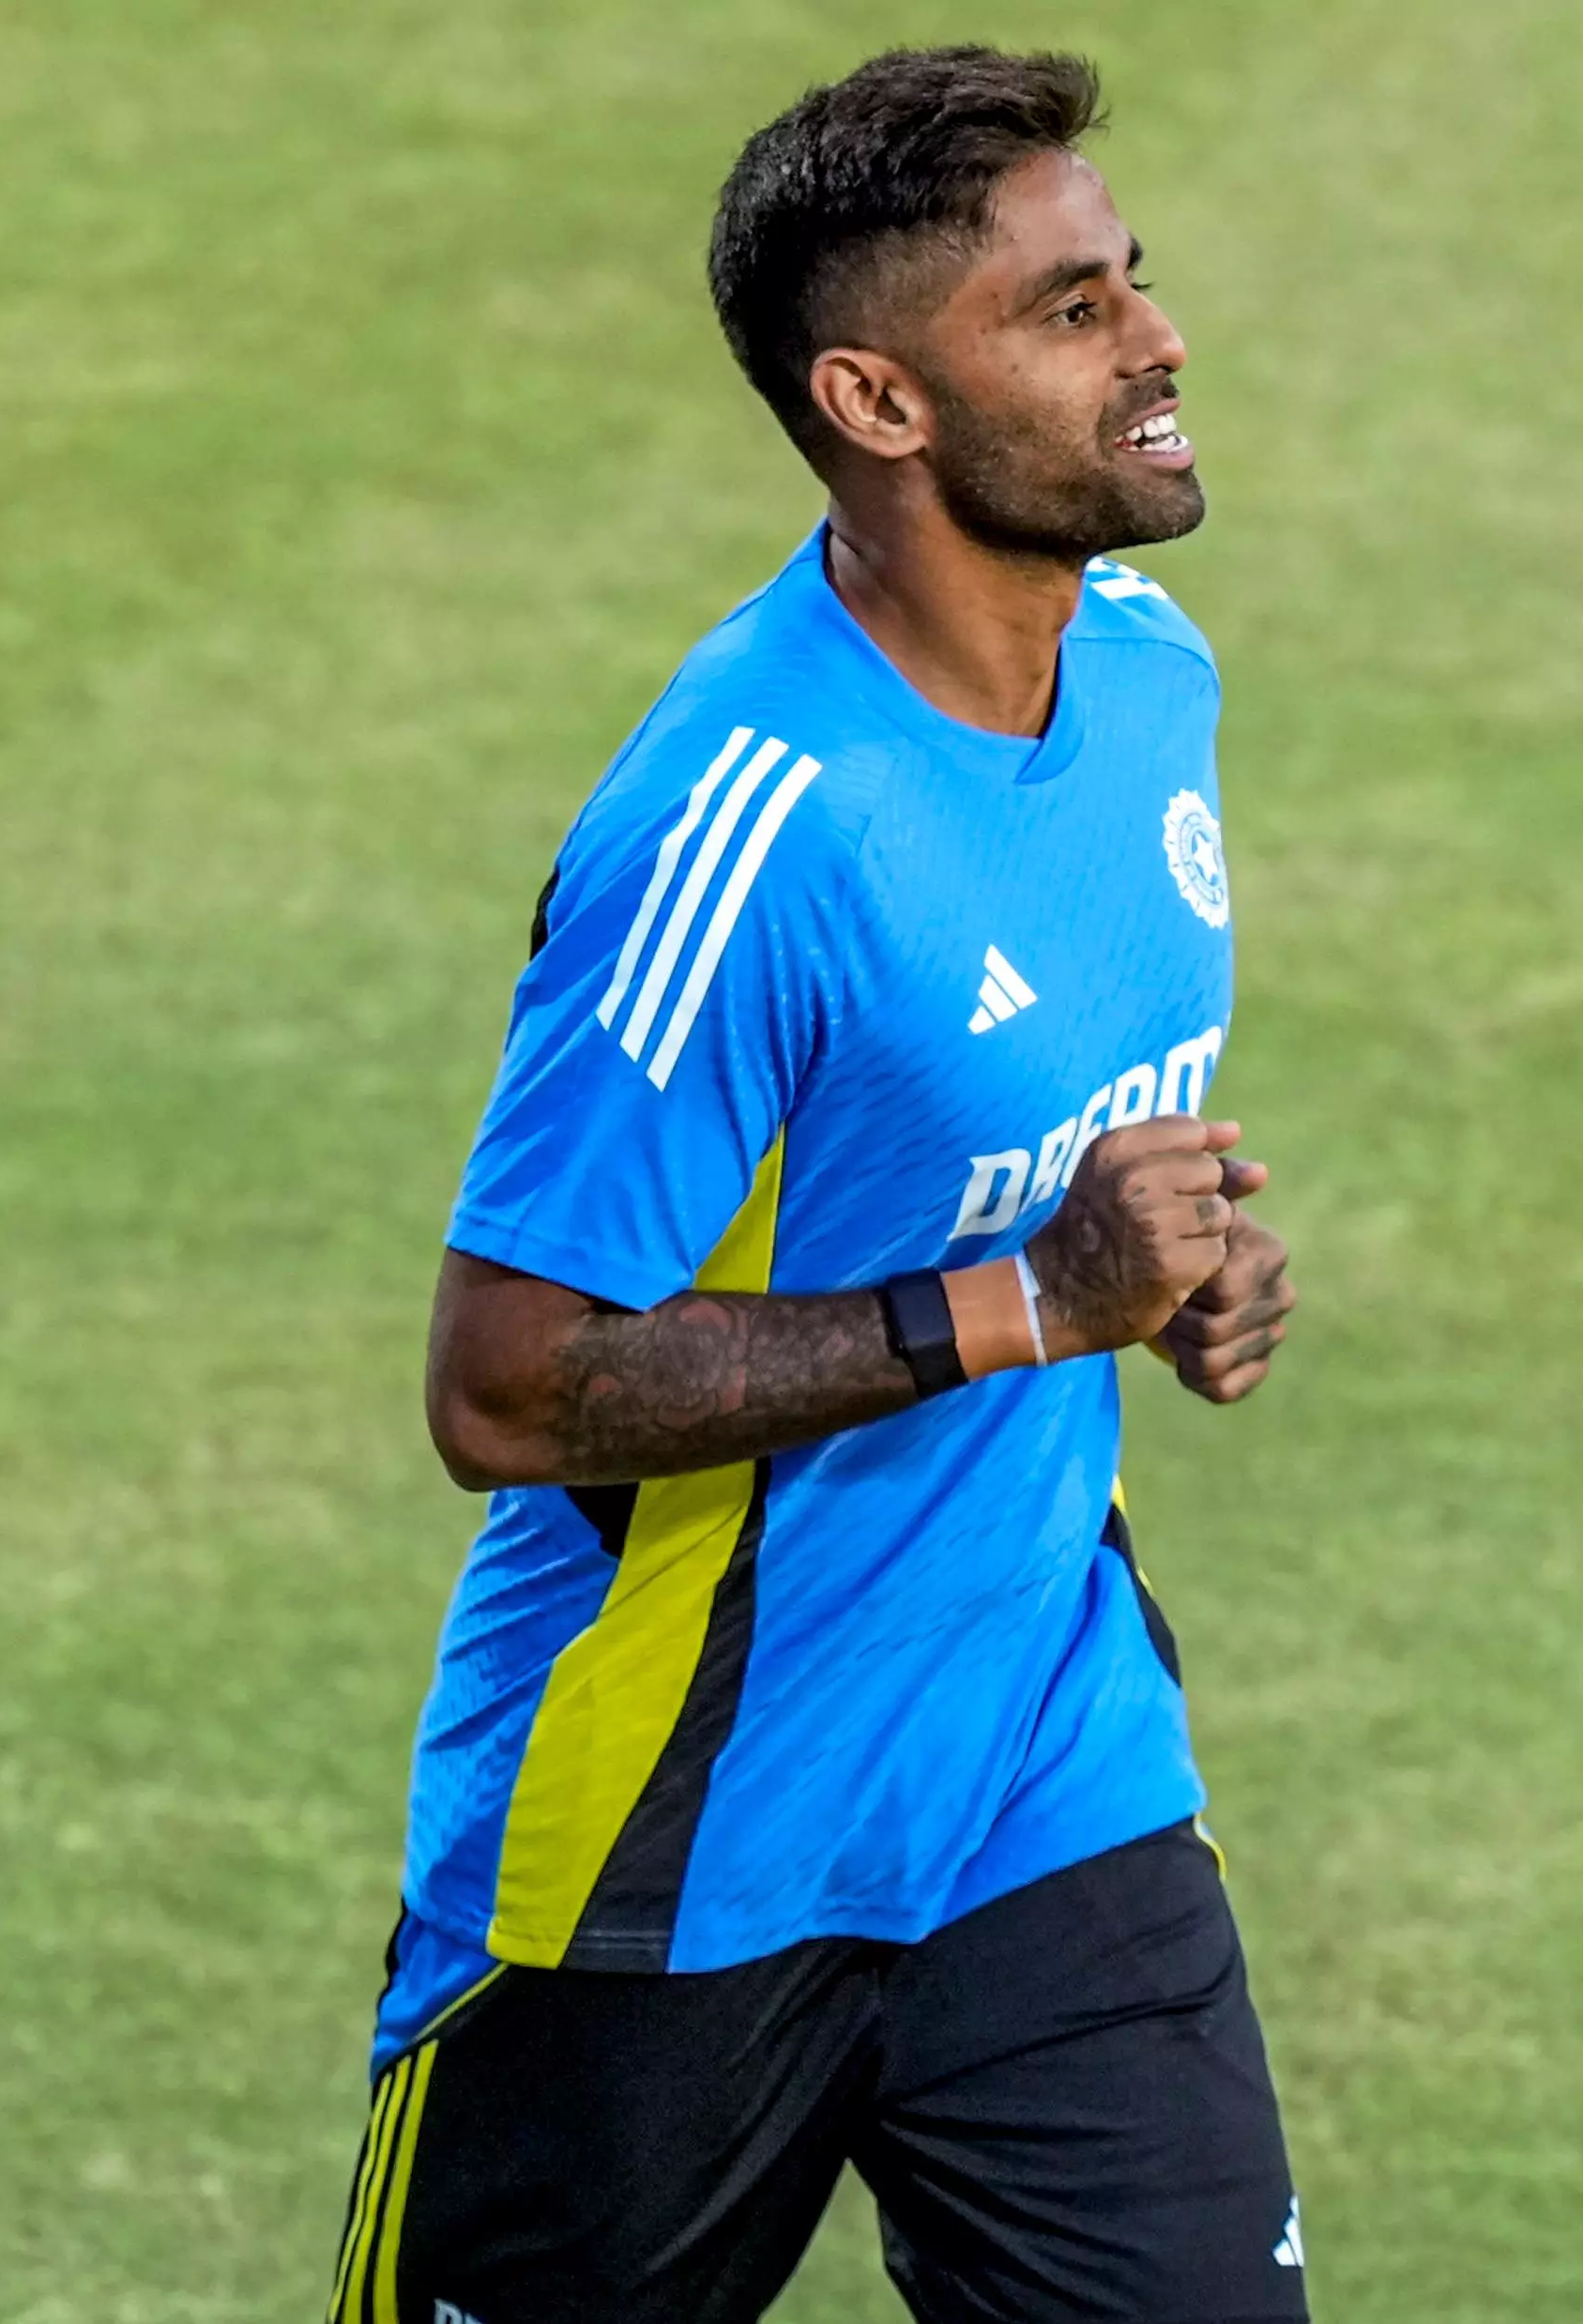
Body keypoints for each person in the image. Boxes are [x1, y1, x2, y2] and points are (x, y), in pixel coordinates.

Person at [329, 48, 1307, 2324]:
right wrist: (1028, 1300)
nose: (1156, 338)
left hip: (1044, 1769)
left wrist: (1184, 1281)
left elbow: (996, 1175)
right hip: (676, 1851)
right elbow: (504, 1384)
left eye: (1130, 280)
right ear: (873, 397)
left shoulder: (1147, 681)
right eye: (1068, 311)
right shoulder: (742, 823)